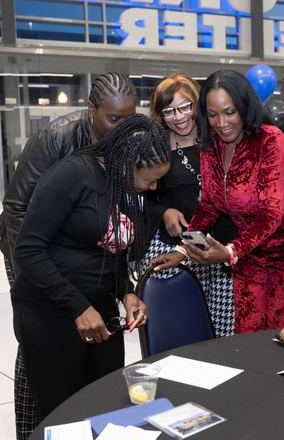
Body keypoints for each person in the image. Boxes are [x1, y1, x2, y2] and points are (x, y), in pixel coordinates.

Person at [0, 72, 137, 440]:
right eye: (113, 119)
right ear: (91, 110)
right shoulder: (55, 138)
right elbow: (15, 209)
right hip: (32, 257)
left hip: (84, 258)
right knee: (38, 364)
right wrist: (34, 283)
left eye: (130, 118)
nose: (124, 129)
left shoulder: (122, 149)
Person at [11, 114, 171, 421]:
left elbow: (111, 247)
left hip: (98, 308)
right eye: (149, 180)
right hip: (49, 313)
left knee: (106, 407)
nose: (152, 188)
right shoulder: (72, 174)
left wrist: (126, 293)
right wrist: (78, 307)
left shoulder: (121, 183)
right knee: (64, 417)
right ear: (126, 162)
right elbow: (28, 249)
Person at [149, 70, 284, 333]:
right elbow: (209, 204)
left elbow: (271, 214)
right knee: (248, 339)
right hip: (247, 258)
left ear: (245, 107)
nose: (221, 123)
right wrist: (182, 250)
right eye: (212, 115)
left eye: (230, 112)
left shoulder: (270, 141)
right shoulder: (212, 144)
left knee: (282, 338)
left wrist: (230, 251)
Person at [144, 73, 235, 337]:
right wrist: (164, 212)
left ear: (197, 105)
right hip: (170, 245)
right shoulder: (154, 147)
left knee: (223, 332)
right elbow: (139, 198)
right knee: (177, 330)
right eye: (169, 111)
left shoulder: (219, 138)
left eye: (185, 107)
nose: (179, 117)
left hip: (218, 247)